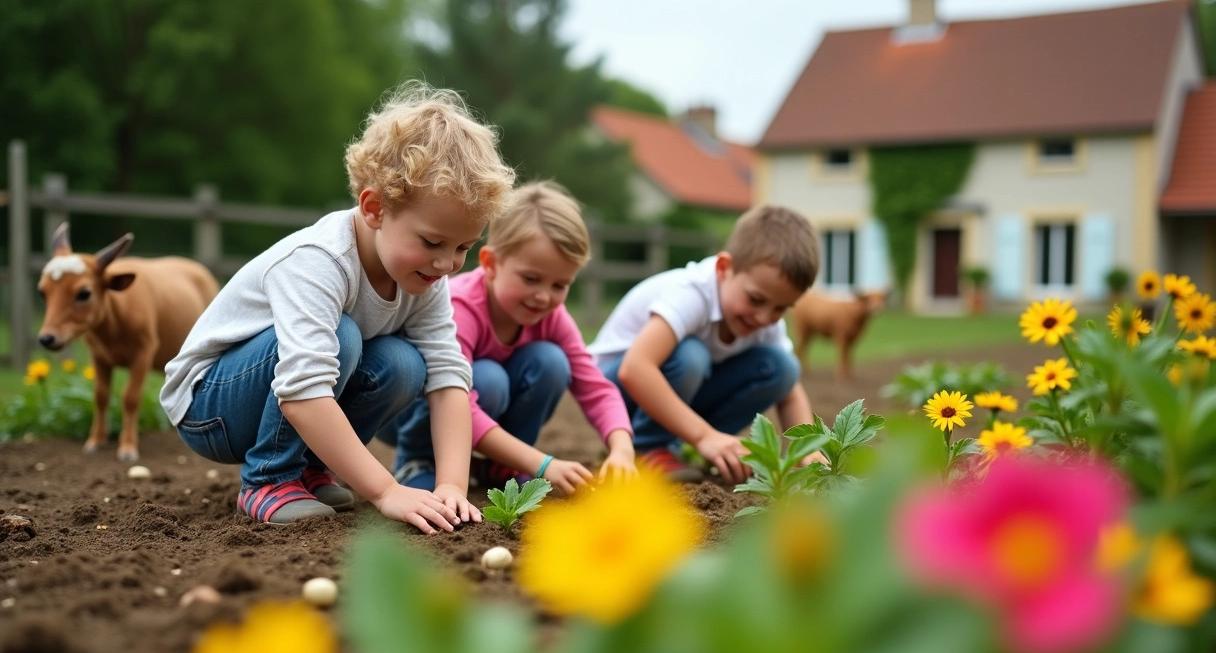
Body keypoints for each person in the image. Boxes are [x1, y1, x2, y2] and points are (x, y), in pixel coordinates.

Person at [159, 81, 515, 530]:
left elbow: (449, 378)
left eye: (464, 246)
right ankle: (268, 479)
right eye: (432, 242)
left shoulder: (425, 276)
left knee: (405, 363)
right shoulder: (318, 262)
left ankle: (310, 469)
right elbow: (302, 387)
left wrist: (451, 487)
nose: (447, 264)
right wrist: (387, 490)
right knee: (342, 337)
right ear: (374, 209)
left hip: (279, 396)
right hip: (209, 407)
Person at [386, 181, 636, 494]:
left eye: (560, 285)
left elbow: (594, 386)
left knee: (552, 362)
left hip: (476, 408)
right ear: (491, 263)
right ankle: (419, 460)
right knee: (488, 379)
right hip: (416, 407)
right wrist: (543, 463)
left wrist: (622, 448)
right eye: (531, 279)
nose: (544, 297)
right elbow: (455, 398)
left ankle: (504, 465)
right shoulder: (460, 306)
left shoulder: (552, 317)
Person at [588, 205, 819, 484]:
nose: (765, 317)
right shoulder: (691, 294)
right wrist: (704, 436)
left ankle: (688, 448)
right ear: (724, 268)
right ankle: (646, 448)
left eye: (781, 309)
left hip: (672, 392)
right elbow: (634, 368)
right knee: (691, 356)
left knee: (782, 367)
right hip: (612, 396)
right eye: (756, 300)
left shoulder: (765, 321)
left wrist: (808, 450)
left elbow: (790, 390)